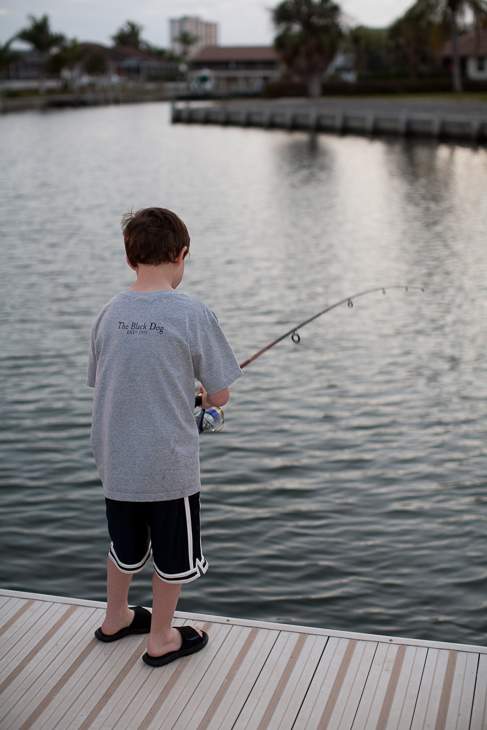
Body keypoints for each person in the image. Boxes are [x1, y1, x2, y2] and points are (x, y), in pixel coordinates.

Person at [87, 207, 242, 667]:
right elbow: (220, 395)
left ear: (130, 259)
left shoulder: (108, 312)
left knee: (124, 546)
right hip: (168, 469)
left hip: (116, 463)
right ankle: (160, 640)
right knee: (173, 559)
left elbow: (109, 381)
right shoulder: (192, 312)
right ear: (182, 254)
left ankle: (115, 617)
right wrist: (201, 398)